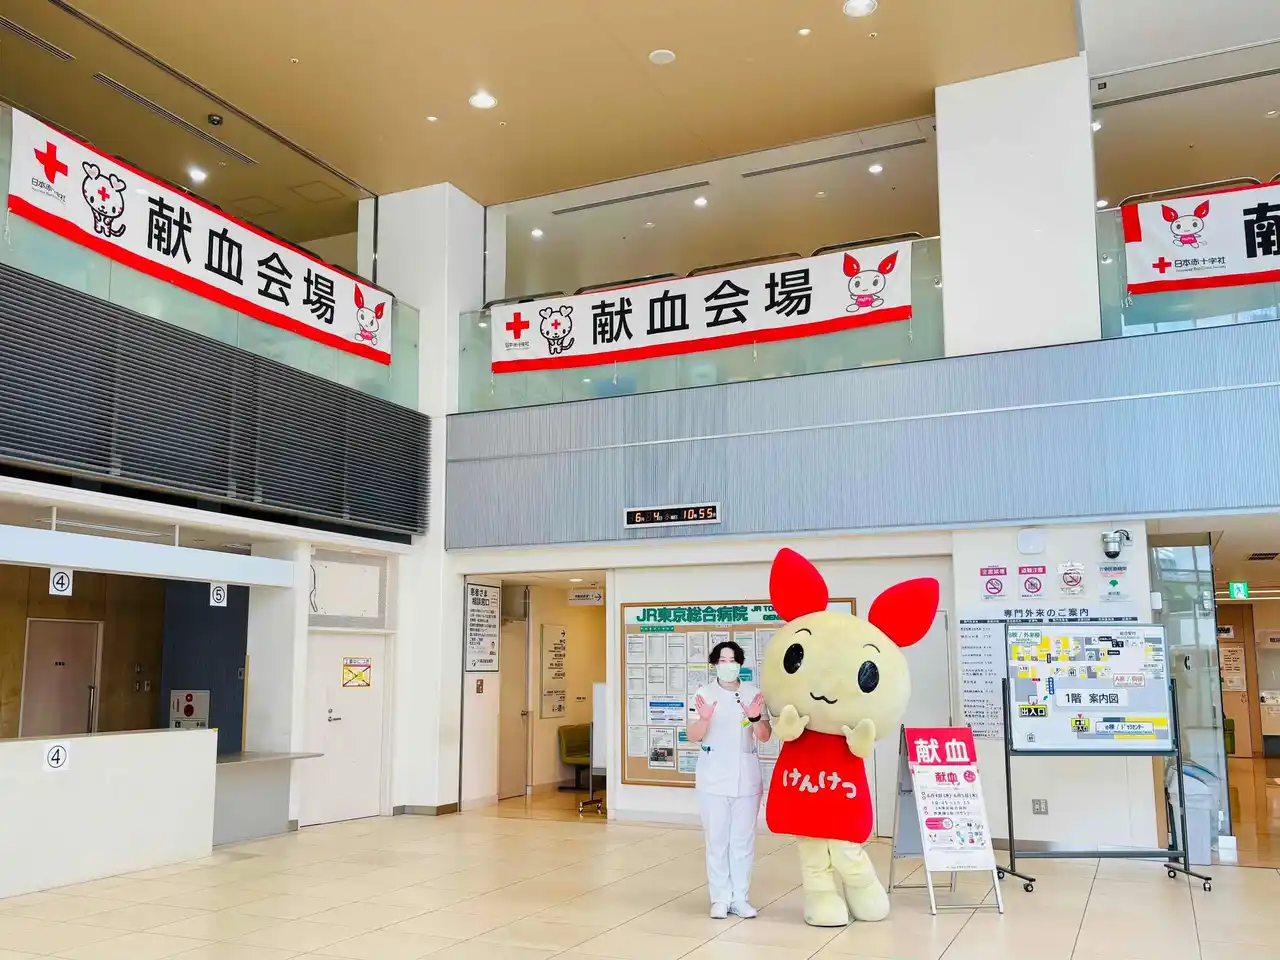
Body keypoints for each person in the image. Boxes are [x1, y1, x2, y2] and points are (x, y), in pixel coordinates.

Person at [687, 639, 772, 920]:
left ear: (740, 664)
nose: (728, 665)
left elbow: (764, 735)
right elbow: (692, 735)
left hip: (746, 778)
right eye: (722, 660)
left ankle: (740, 898)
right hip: (713, 777)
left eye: (732, 660)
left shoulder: (753, 694)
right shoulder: (703, 694)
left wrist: (755, 717)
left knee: (742, 841)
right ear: (715, 664)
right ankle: (720, 898)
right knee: (717, 840)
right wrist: (704, 719)